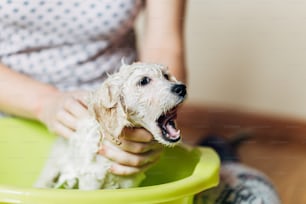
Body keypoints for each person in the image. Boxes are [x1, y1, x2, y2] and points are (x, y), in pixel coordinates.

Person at [0, 1, 280, 203]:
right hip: (11, 113)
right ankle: (217, 150)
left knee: (258, 197)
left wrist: (146, 131)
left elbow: (163, 45)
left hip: (128, 123)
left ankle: (217, 154)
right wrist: (44, 102)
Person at [0, 0, 186, 176]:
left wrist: (148, 125)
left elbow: (163, 46)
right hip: (12, 109)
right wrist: (46, 103)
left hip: (123, 118)